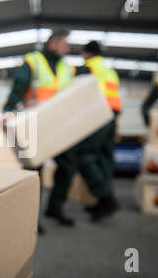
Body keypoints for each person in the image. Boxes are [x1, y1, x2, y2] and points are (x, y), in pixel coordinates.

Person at [3, 30, 75, 230]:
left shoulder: (65, 66)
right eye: (65, 44)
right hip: (36, 122)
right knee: (35, 169)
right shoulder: (34, 61)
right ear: (53, 42)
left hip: (60, 123)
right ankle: (31, 217)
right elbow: (20, 84)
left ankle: (55, 207)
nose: (68, 48)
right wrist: (8, 109)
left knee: (68, 164)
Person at [45, 41, 122, 224]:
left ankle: (106, 199)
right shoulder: (109, 70)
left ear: (86, 54)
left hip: (97, 119)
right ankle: (103, 200)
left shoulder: (87, 69)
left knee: (83, 155)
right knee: (102, 160)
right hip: (111, 118)